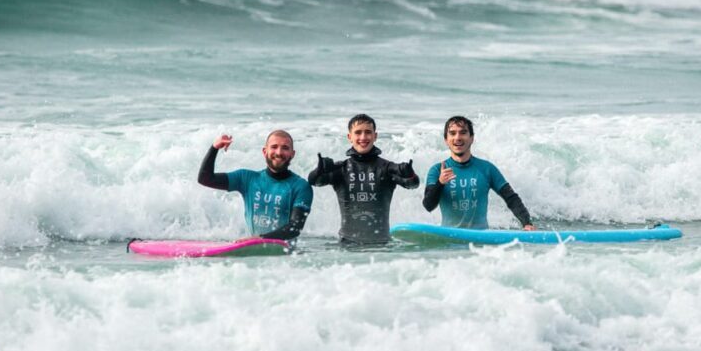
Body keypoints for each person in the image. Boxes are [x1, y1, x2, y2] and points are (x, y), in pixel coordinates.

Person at [308, 114, 419, 244]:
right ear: (350, 137)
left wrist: (409, 174)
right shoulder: (341, 169)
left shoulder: (387, 168)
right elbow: (314, 181)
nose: (363, 137)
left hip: (381, 245)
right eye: (358, 132)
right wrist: (319, 170)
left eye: (368, 132)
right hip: (347, 244)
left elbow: (413, 184)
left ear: (375, 136)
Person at [423, 116, 534, 230]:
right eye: (452, 133)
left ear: (471, 138)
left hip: (480, 243)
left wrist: (527, 223)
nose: (458, 137)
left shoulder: (487, 169)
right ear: (446, 140)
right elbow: (428, 206)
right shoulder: (437, 170)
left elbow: (511, 198)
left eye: (463, 132)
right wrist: (440, 183)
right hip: (450, 240)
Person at [198, 130, 312, 240]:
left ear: (292, 154)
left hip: (286, 255)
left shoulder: (301, 186)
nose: (279, 152)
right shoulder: (246, 178)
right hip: (254, 253)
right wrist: (214, 148)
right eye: (274, 147)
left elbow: (294, 228)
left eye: (285, 148)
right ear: (264, 151)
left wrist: (261, 239)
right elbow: (205, 179)